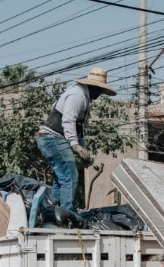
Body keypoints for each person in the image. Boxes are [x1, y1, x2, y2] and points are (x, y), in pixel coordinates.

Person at [36, 66, 116, 211]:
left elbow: (78, 128)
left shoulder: (84, 97)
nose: (100, 94)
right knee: (70, 176)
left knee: (61, 177)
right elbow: (68, 121)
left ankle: (54, 209)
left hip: (51, 138)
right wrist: (75, 145)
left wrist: (82, 148)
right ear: (92, 86)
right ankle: (67, 213)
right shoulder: (77, 96)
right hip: (52, 138)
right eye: (99, 89)